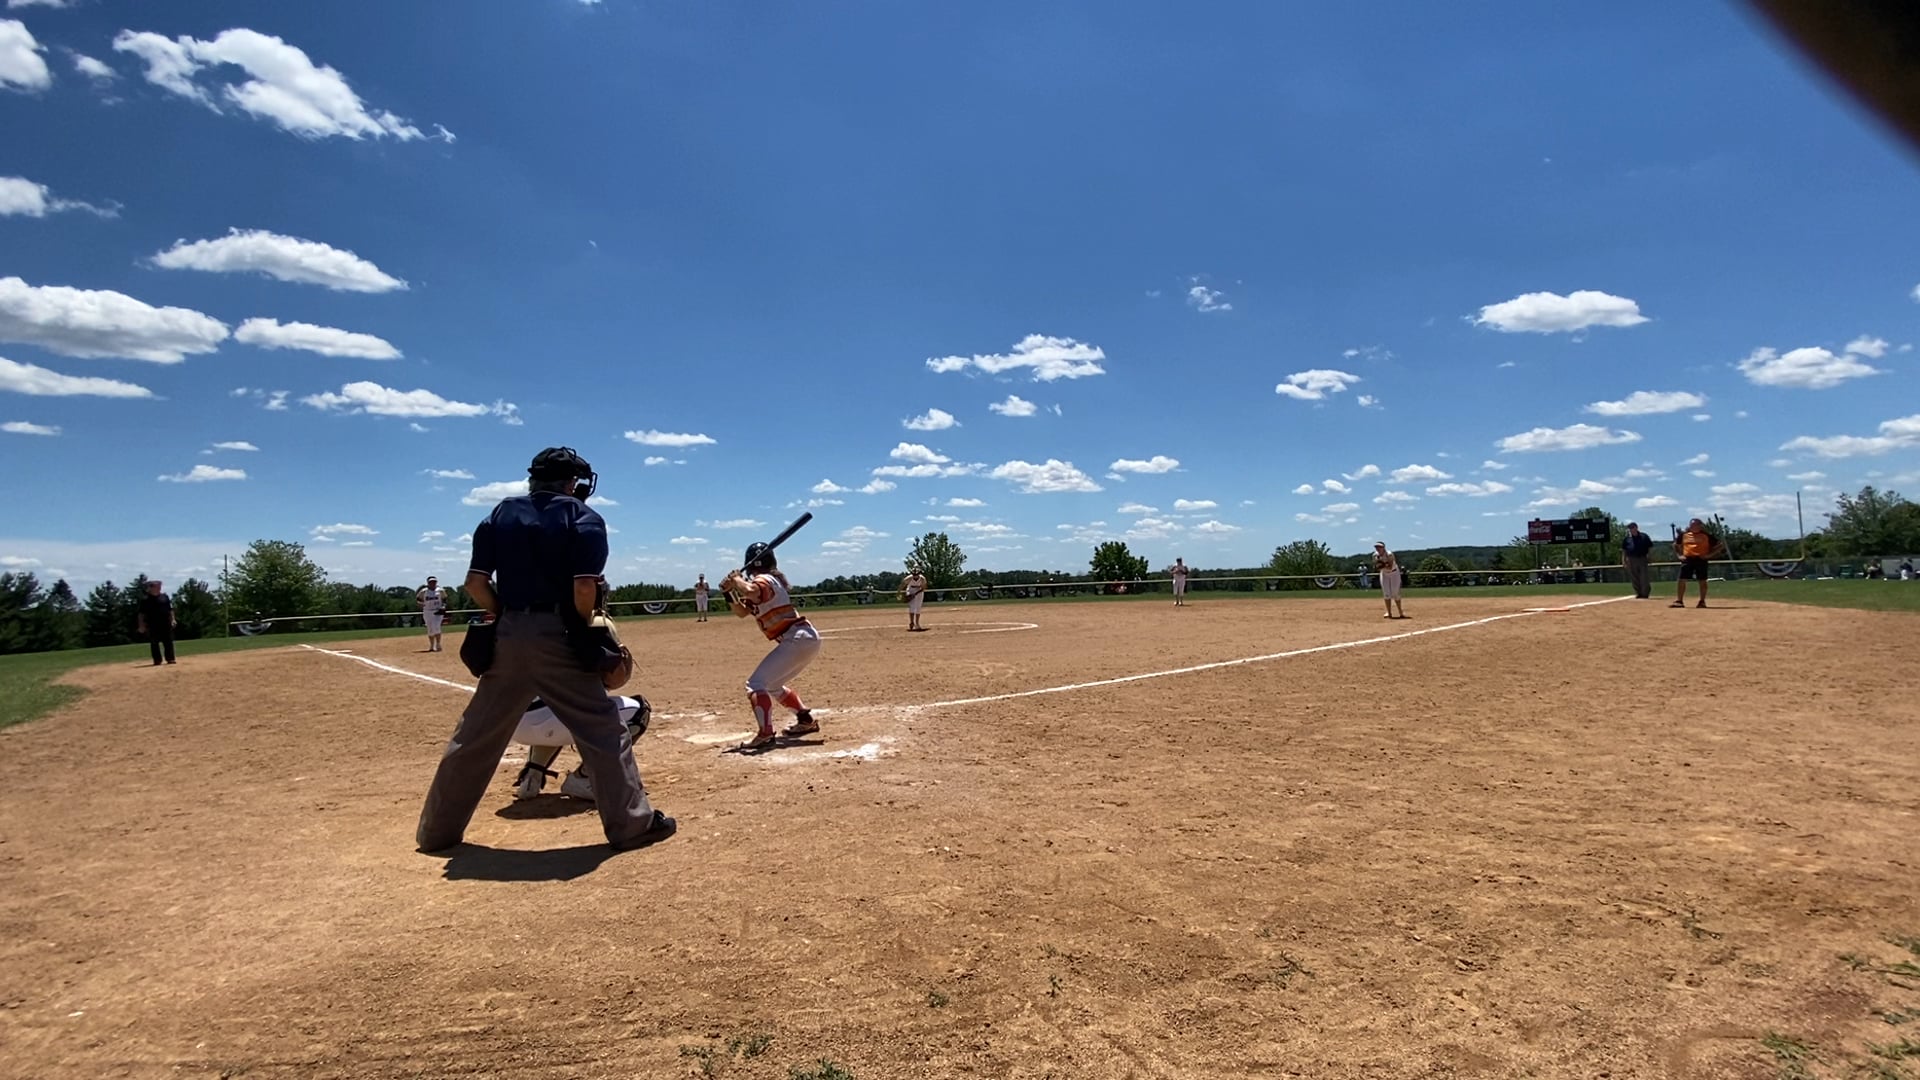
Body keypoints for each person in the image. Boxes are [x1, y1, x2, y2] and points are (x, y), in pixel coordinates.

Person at [415, 446, 674, 854]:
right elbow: (584, 587)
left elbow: (475, 584)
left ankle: (436, 832)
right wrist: (578, 624)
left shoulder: (500, 513)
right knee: (603, 730)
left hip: (507, 634)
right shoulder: (583, 517)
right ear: (572, 483)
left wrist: (507, 615)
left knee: (475, 736)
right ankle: (631, 825)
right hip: (560, 633)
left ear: (533, 479)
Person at [723, 543, 822, 751]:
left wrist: (736, 579)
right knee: (773, 685)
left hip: (796, 638)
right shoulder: (764, 583)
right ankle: (805, 720)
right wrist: (728, 592)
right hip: (802, 639)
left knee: (755, 684)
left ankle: (766, 734)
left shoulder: (764, 580)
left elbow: (750, 590)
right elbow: (741, 612)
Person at [513, 694, 651, 801]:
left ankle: (531, 778)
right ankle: (585, 778)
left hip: (513, 724)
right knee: (639, 711)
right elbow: (612, 678)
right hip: (551, 722)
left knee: (556, 698)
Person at [1672, 517, 1720, 608]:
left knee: (1702, 580)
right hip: (1688, 559)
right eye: (1692, 525)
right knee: (1682, 579)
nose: (1693, 527)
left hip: (1701, 559)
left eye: (1696, 525)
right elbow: (1675, 545)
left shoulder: (1706, 535)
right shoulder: (1684, 535)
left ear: (1700, 526)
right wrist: (1679, 555)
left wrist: (1709, 555)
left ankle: (1702, 601)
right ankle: (1679, 601)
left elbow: (1719, 545)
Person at [136, 579, 176, 665]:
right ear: (151, 588)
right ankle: (157, 660)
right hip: (152, 624)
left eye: (160, 586)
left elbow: (170, 609)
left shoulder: (165, 597)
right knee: (154, 643)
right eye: (157, 586)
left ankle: (170, 658)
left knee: (168, 641)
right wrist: (141, 625)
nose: (159, 588)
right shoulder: (145, 599)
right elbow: (141, 614)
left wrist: (173, 619)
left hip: (165, 623)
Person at [1622, 522, 1655, 599]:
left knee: (1644, 577)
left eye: (1632, 527)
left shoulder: (1644, 536)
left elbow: (1650, 547)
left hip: (1642, 558)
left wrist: (1650, 557)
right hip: (1631, 559)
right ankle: (1638, 593)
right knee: (1634, 577)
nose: (1631, 530)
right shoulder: (1627, 539)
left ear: (1636, 528)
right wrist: (1624, 560)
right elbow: (1624, 551)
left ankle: (1645, 593)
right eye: (1630, 528)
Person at [416, 575, 450, 652]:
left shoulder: (440, 590)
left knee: (436, 627)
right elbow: (418, 598)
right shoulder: (424, 591)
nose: (433, 583)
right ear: (428, 583)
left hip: (437, 611)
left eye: (434, 582)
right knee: (430, 629)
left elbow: (445, 598)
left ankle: (438, 644)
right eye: (431, 582)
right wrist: (420, 603)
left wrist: (443, 606)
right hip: (427, 611)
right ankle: (431, 645)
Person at [1373, 542, 1405, 619]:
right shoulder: (1375, 555)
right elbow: (1376, 567)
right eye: (1376, 547)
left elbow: (1390, 567)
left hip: (1394, 573)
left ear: (1383, 547)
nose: (1378, 548)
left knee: (1395, 592)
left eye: (1379, 547)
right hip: (1384, 573)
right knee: (1386, 593)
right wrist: (1380, 565)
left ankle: (1400, 611)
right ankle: (1389, 612)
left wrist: (1381, 564)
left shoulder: (1389, 554)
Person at [901, 566, 928, 631]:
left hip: (919, 590)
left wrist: (915, 594)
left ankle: (917, 623)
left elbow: (924, 588)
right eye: (914, 574)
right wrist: (903, 594)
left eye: (917, 574)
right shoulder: (908, 578)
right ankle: (911, 622)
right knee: (912, 607)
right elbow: (902, 585)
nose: (915, 576)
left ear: (919, 574)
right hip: (911, 589)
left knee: (918, 607)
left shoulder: (922, 579)